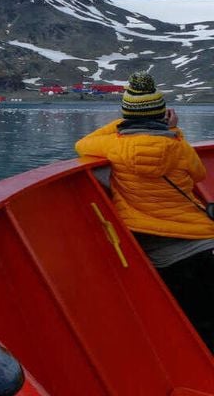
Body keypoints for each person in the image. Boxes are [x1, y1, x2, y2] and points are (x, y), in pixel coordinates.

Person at [76, 71, 214, 348]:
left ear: (127, 114)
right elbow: (199, 174)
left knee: (198, 328)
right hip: (203, 241)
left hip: (162, 254)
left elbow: (82, 144)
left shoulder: (115, 146)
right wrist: (173, 131)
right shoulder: (177, 146)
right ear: (162, 113)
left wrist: (124, 123)